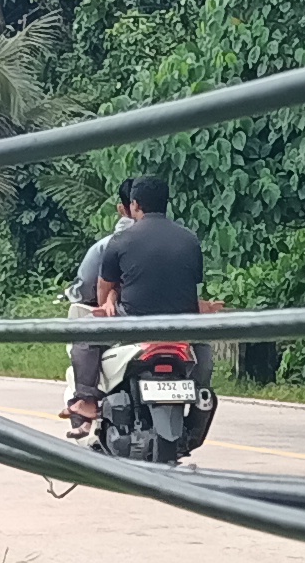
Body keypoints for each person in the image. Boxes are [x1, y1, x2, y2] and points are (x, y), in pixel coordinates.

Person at [67, 174, 206, 428]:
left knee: (84, 334)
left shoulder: (120, 241)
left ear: (134, 205)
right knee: (204, 343)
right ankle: (202, 389)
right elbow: (191, 284)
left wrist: (109, 301)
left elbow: (102, 293)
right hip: (182, 324)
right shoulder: (190, 239)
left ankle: (86, 400)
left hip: (134, 321)